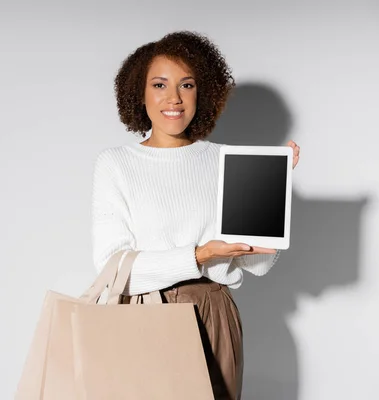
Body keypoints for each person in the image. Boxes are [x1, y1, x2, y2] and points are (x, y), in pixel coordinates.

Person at [90, 31, 300, 400]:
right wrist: (200, 255)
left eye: (186, 84)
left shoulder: (226, 160)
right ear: (140, 93)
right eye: (160, 84)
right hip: (146, 312)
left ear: (202, 92)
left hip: (214, 311)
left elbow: (260, 265)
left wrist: (272, 189)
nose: (173, 98)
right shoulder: (116, 164)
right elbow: (113, 268)